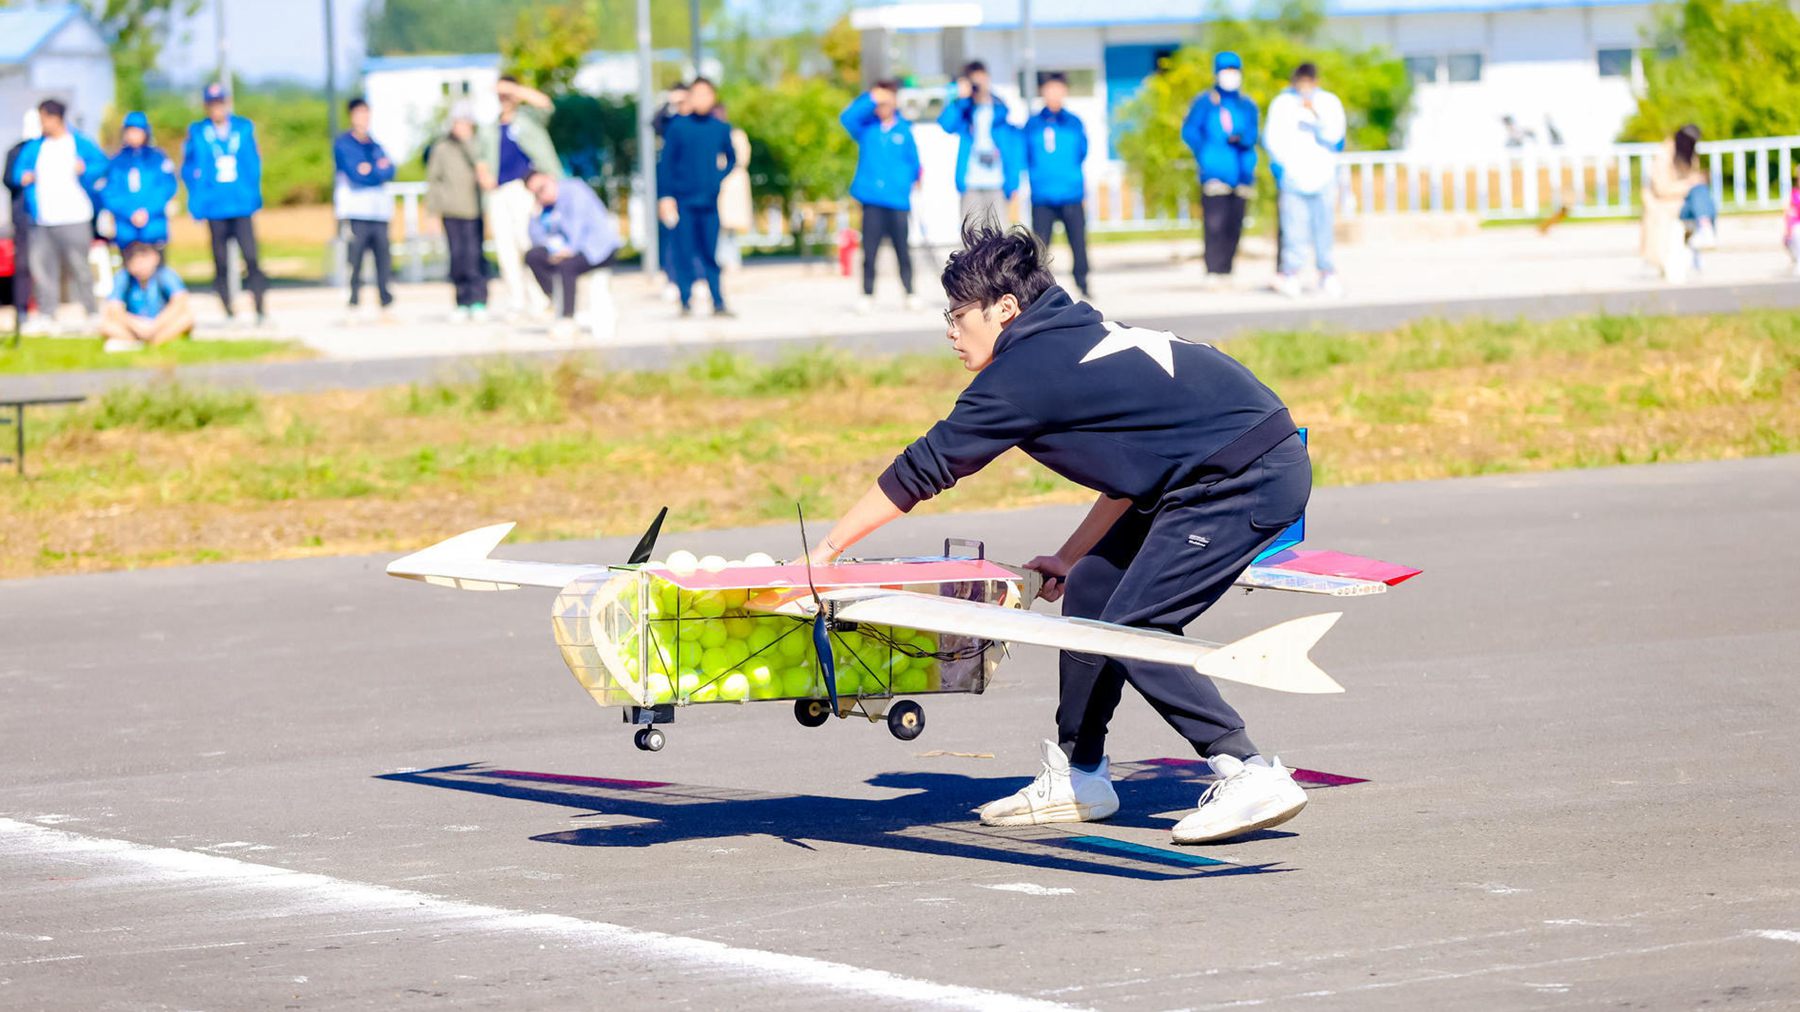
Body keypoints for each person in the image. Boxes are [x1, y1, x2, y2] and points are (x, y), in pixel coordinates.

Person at [808, 223, 1312, 844]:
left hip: (1243, 478)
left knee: (1133, 627)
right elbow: (1132, 473)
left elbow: (927, 466)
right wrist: (1073, 556)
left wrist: (826, 553)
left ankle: (1247, 769)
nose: (949, 330)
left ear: (1005, 309)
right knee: (1096, 588)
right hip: (1211, 474)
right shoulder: (1068, 340)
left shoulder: (1024, 371)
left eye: (956, 313)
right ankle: (1082, 774)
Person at [9, 98, 108, 334]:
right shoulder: (36, 147)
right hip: (43, 218)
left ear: (56, 118)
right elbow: (16, 173)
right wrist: (23, 176)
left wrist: (85, 170)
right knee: (43, 270)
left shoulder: (78, 143)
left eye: (45, 119)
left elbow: (103, 165)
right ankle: (47, 314)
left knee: (80, 267)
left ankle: (91, 311)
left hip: (74, 215)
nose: (42, 124)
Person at [183, 82, 268, 324]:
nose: (216, 109)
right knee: (220, 261)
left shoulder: (243, 128)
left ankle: (260, 307)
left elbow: (253, 162)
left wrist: (254, 194)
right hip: (215, 205)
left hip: (240, 203)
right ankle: (228, 309)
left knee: (251, 257)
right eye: (212, 104)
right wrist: (196, 201)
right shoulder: (198, 132)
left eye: (220, 103)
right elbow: (190, 168)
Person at [1264, 63, 1346, 298]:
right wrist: (1281, 168)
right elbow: (1273, 138)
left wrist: (1315, 115)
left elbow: (1335, 137)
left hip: (1323, 176)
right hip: (1293, 177)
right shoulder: (1282, 104)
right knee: (1293, 230)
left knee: (1324, 230)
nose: (1305, 87)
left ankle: (1327, 273)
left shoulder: (1329, 102)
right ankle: (1291, 274)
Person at [840, 80, 923, 313]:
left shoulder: (904, 130)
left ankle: (910, 291)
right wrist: (871, 97)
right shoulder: (867, 128)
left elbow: (914, 162)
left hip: (897, 200)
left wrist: (910, 183)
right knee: (870, 250)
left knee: (902, 250)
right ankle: (867, 293)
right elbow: (846, 118)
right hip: (872, 200)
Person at [656, 77, 736, 317]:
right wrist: (666, 196)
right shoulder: (678, 127)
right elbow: (666, 164)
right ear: (689, 97)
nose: (702, 99)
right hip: (684, 201)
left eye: (707, 94)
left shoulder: (720, 128)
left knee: (710, 253)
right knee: (683, 251)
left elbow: (731, 158)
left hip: (709, 201)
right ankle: (685, 301)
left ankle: (718, 301)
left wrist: (717, 178)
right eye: (697, 94)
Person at [483, 76, 561, 317]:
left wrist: (515, 89)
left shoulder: (528, 120)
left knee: (529, 244)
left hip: (525, 189)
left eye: (507, 95)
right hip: (500, 191)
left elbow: (546, 105)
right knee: (506, 249)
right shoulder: (491, 128)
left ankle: (541, 299)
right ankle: (516, 301)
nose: (503, 99)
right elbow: (481, 158)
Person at [1181, 52, 1260, 284]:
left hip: (1242, 171)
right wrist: (1206, 153)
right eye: (1226, 70)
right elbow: (1190, 131)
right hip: (1215, 171)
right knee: (1214, 223)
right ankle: (1213, 270)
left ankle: (1227, 269)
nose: (1231, 75)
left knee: (1234, 224)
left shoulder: (1246, 104)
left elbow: (1254, 132)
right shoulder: (1205, 102)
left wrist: (1242, 137)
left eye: (1235, 70)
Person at [523, 169, 623, 339]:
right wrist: (534, 215)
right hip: (567, 250)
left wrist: (567, 250)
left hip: (597, 249)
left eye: (541, 189)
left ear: (551, 179)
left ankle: (567, 319)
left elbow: (579, 225)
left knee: (566, 266)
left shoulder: (574, 189)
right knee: (533, 256)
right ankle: (557, 299)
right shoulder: (545, 208)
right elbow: (537, 239)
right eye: (535, 194)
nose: (540, 195)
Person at [1023, 72, 1091, 299]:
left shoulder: (1074, 123)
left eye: (1058, 89)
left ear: (1065, 91)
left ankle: (1082, 281)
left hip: (1071, 192)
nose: (1054, 94)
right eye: (1049, 89)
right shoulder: (1032, 125)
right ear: (1042, 92)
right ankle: (1040, 290)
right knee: (1040, 246)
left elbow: (1082, 151)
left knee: (1078, 241)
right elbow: (1026, 154)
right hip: (1043, 195)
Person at [332, 97, 397, 318]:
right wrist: (374, 171)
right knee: (356, 256)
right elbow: (355, 174)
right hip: (356, 210)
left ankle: (385, 297)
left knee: (383, 256)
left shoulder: (375, 144)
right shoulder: (344, 144)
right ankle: (354, 298)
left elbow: (389, 171)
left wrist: (372, 170)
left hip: (378, 211)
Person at [937, 61, 1022, 227]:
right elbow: (946, 124)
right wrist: (960, 99)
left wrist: (1013, 185)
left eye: (981, 79)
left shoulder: (1000, 111)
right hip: (971, 184)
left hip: (997, 184)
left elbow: (1012, 152)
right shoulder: (965, 112)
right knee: (972, 237)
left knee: (1000, 238)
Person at [427, 102, 488, 320]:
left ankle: (479, 300)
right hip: (451, 211)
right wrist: (432, 213)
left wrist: (468, 142)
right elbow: (434, 181)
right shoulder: (441, 148)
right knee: (457, 258)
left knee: (475, 257)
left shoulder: (478, 144)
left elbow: (482, 166)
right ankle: (461, 301)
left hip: (474, 211)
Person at [100, 111, 177, 250]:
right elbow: (110, 192)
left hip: (153, 226)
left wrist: (148, 211)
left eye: (137, 131)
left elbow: (166, 187)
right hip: (126, 229)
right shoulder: (117, 162)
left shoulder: (157, 158)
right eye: (130, 131)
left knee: (156, 268)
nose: (133, 135)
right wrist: (129, 212)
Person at [1641, 123, 1706, 282]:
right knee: (1698, 193)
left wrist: (1695, 182)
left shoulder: (1688, 155)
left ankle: (1705, 227)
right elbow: (1661, 189)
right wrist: (1689, 184)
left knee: (1701, 193)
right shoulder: (1663, 156)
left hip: (1683, 202)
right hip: (1664, 204)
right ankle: (1705, 228)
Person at [99, 242, 193, 352]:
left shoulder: (164, 274)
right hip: (135, 325)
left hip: (161, 323)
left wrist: (155, 325)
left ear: (155, 258)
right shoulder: (123, 277)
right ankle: (147, 342)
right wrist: (136, 325)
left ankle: (147, 342)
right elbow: (114, 308)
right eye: (136, 262)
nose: (141, 266)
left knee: (187, 319)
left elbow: (179, 302)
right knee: (106, 325)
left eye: (144, 260)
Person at [3, 111, 40, 331]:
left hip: (48, 217)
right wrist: (21, 178)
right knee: (23, 264)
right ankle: (22, 308)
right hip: (23, 216)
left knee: (45, 264)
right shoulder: (15, 151)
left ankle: (44, 309)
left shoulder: (48, 147)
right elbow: (8, 179)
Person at [715, 101, 754, 274]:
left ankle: (731, 259)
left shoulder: (736, 134)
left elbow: (741, 157)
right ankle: (721, 259)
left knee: (730, 226)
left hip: (733, 182)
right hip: (720, 182)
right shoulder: (714, 133)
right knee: (719, 225)